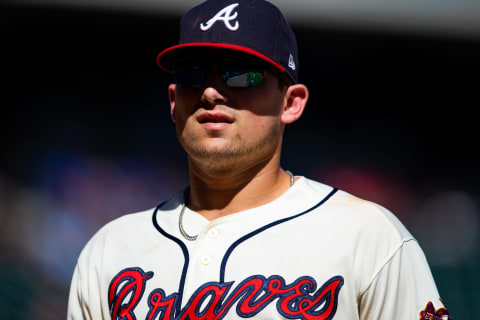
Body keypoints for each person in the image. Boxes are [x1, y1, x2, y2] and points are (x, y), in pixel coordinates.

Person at [67, 0, 451, 319]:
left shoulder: (368, 237)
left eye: (242, 74)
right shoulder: (111, 249)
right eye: (192, 73)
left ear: (291, 102)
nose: (212, 91)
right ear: (173, 101)